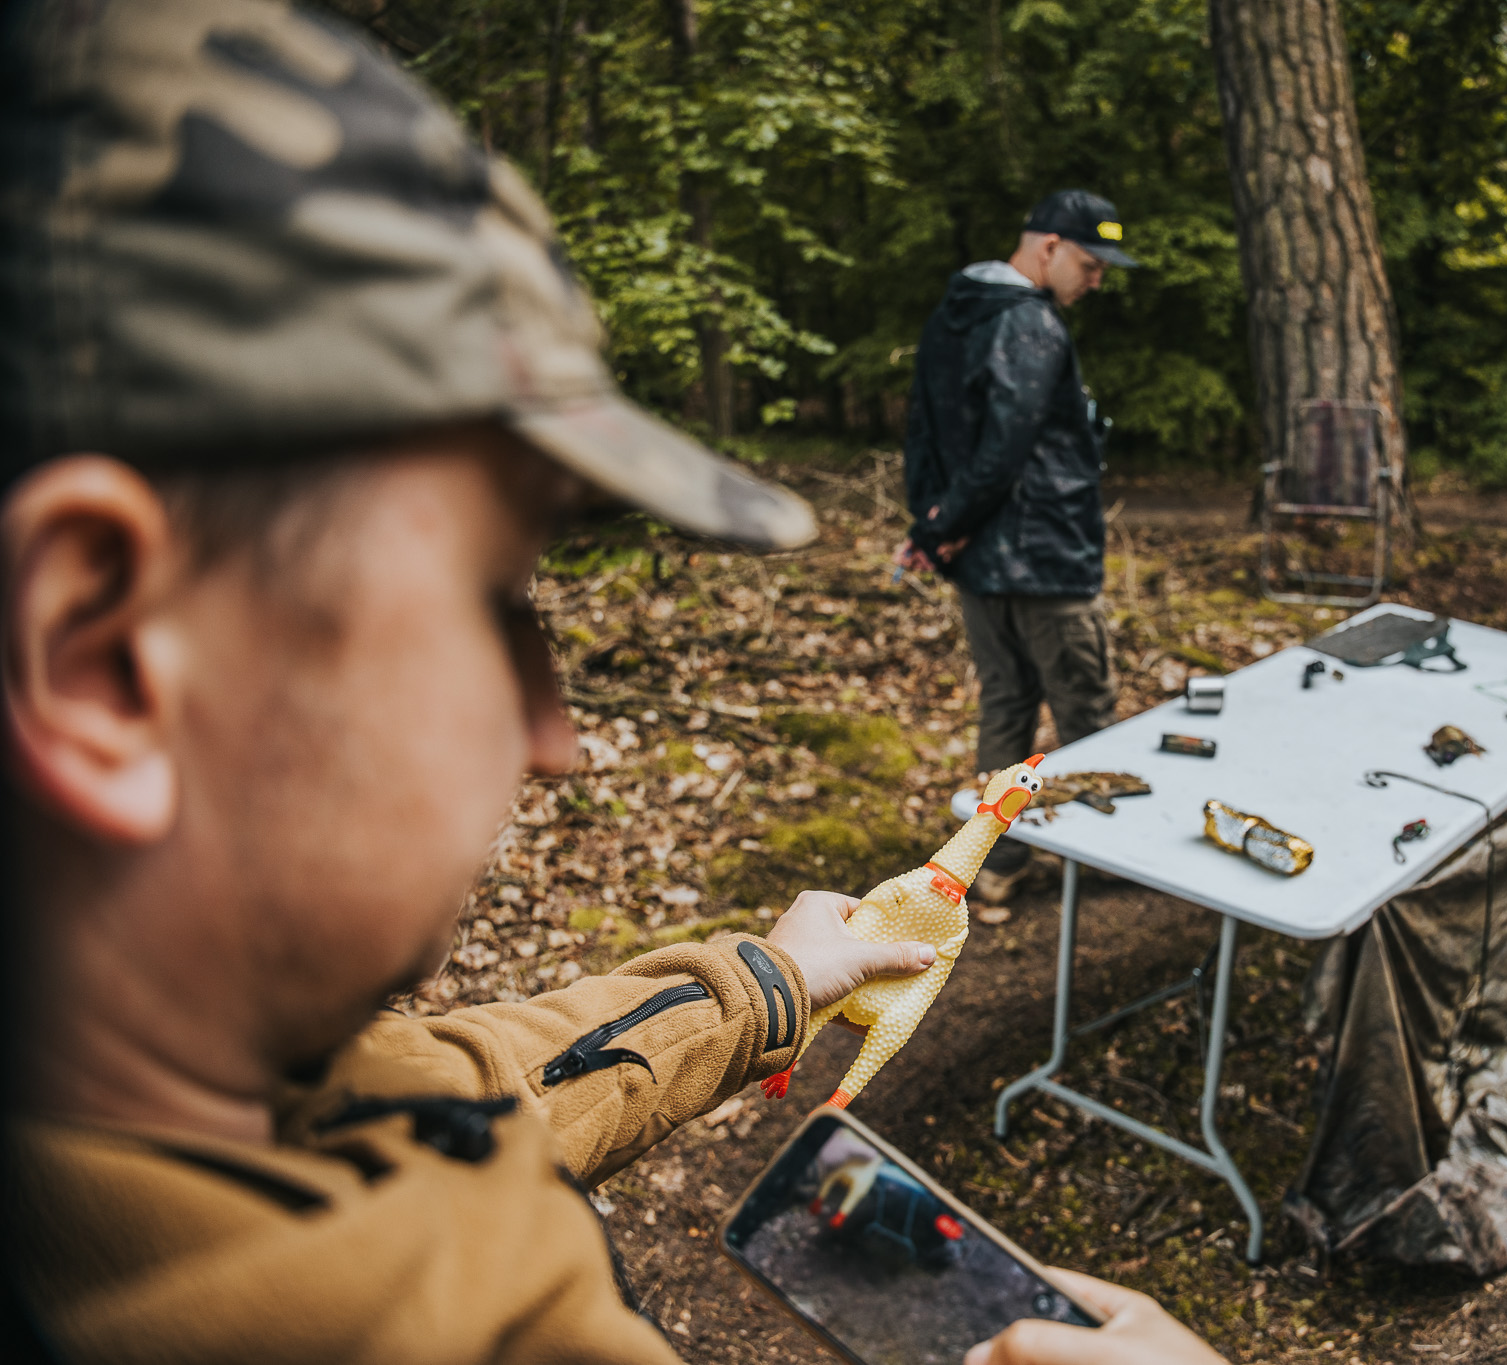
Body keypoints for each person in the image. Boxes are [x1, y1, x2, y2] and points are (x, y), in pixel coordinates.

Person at [0, 4, 1220, 1363]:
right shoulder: (401, 1316)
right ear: (100, 657)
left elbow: (444, 1085)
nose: (553, 740)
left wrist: (770, 979)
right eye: (482, 607)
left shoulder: (156, 1078)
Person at [895, 192, 1134, 902]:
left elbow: (924, 433)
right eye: (1090, 265)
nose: (1096, 281)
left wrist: (935, 527)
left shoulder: (954, 314)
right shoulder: (1032, 324)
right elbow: (1004, 446)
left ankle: (992, 866)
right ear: (1048, 248)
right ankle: (1110, 861)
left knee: (1004, 704)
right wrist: (941, 527)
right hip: (1045, 556)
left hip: (979, 555)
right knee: (1086, 708)